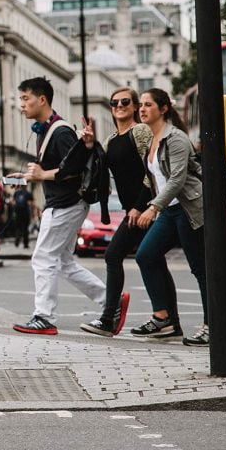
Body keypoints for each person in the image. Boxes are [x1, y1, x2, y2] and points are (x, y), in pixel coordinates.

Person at [9, 76, 106, 335]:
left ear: (42, 99)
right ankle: (111, 302)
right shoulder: (48, 129)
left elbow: (73, 169)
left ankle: (44, 317)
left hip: (65, 204)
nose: (22, 105)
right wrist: (31, 176)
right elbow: (59, 168)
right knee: (63, 263)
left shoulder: (60, 131)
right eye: (21, 99)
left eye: (26, 98)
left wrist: (41, 175)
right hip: (63, 203)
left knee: (43, 259)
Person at [73, 87, 152, 337]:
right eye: (114, 102)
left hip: (147, 207)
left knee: (113, 254)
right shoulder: (110, 140)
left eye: (125, 101)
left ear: (135, 105)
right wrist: (89, 144)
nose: (119, 105)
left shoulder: (140, 132)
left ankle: (109, 318)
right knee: (152, 259)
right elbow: (98, 166)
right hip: (134, 210)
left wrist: (142, 206)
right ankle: (167, 318)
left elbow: (153, 171)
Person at [133, 88, 209, 346]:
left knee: (201, 269)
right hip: (170, 210)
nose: (142, 109)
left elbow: (177, 179)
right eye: (140, 105)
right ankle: (163, 318)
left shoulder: (175, 138)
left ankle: (214, 325)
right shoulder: (152, 140)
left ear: (163, 109)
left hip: (189, 208)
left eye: (148, 105)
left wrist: (153, 207)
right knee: (146, 255)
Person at [11, 184, 32, 248]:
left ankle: (17, 241)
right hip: (25, 212)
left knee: (18, 227)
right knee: (25, 228)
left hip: (18, 212)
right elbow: (31, 203)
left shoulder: (16, 193)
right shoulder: (28, 193)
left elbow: (12, 202)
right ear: (26, 186)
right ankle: (25, 244)